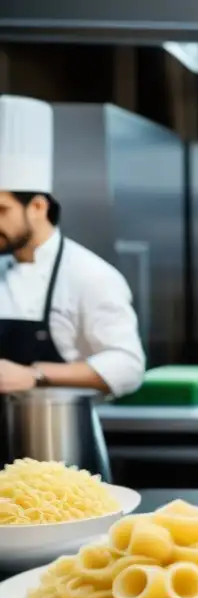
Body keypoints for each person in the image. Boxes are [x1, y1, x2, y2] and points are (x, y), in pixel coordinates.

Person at [0, 94, 145, 397]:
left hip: (57, 435)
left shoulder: (88, 275)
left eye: (2, 210)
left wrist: (35, 375)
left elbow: (128, 365)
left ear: (38, 207)